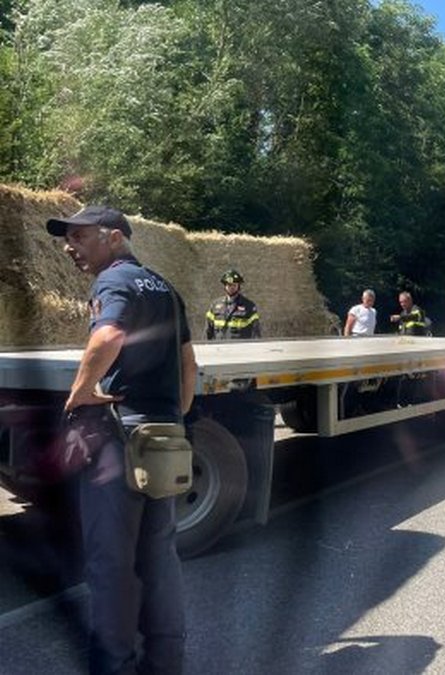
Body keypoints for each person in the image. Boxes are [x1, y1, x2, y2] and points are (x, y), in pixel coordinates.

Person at [47, 205, 195, 675]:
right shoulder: (166, 288)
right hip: (164, 439)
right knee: (160, 558)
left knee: (111, 565)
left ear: (112, 237)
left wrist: (79, 395)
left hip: (121, 440)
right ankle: (165, 664)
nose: (70, 247)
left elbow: (107, 335)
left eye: (79, 237)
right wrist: (177, 414)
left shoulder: (113, 282)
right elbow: (189, 365)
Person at [204, 269, 261, 340]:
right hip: (219, 348)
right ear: (225, 286)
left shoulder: (249, 306)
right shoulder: (215, 306)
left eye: (234, 285)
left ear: (239, 286)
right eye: (229, 285)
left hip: (240, 348)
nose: (231, 287)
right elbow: (208, 331)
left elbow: (256, 332)